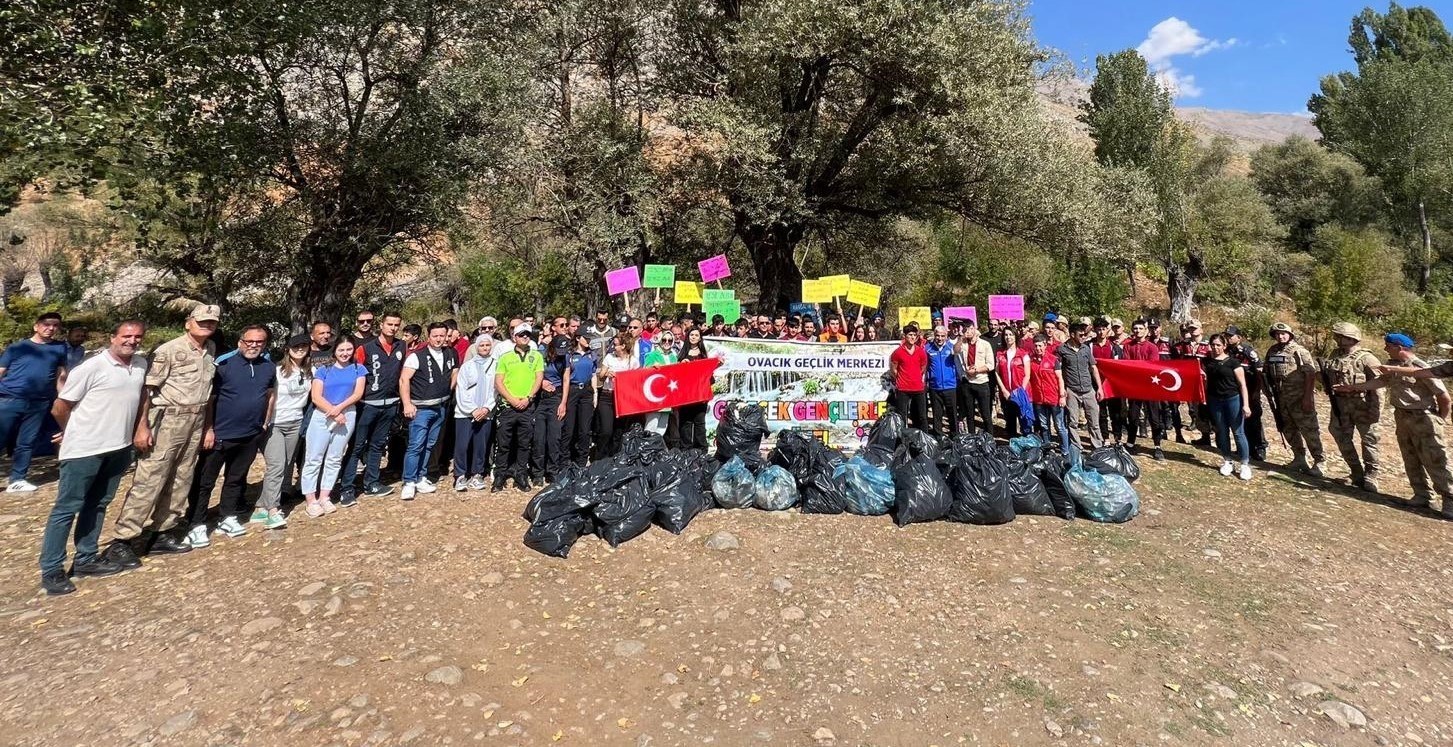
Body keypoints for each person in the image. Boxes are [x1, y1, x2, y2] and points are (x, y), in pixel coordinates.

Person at [37, 321, 148, 595]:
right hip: (85, 449)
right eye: (126, 336)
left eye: (137, 337)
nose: (132, 341)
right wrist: (70, 432)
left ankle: (85, 558)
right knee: (67, 508)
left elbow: (141, 396)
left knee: (98, 504)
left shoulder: (141, 365)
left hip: (118, 447)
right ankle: (52, 569)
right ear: (113, 337)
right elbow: (60, 407)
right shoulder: (92, 367)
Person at [104, 304, 219, 566]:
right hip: (168, 419)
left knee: (182, 476)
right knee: (150, 478)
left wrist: (207, 426)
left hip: (196, 418)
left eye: (212, 322)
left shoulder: (210, 350)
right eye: (202, 321)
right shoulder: (168, 350)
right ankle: (124, 540)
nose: (207, 326)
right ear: (188, 322)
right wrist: (142, 426)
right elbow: (148, 390)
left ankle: (163, 532)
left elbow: (208, 392)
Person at [1338, 334, 1453, 518]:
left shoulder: (1419, 366)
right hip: (1402, 416)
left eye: (1388, 346)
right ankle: (1422, 495)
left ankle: (1449, 499)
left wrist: (1441, 419)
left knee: (1435, 458)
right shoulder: (1392, 365)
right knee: (1410, 456)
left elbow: (1444, 397)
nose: (1385, 349)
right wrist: (1354, 388)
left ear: (1399, 348)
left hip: (1423, 417)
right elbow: (1381, 382)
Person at [182, 324, 275, 547]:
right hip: (220, 434)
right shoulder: (222, 366)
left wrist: (264, 423)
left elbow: (269, 395)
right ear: (240, 342)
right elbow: (210, 401)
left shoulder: (268, 367)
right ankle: (196, 523)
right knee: (204, 481)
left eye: (259, 342)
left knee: (235, 479)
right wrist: (208, 429)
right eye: (249, 341)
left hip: (250, 434)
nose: (253, 346)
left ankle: (227, 516)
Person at [0, 311, 70, 492]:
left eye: (55, 325)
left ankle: (17, 479)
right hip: (10, 399)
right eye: (47, 324)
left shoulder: (60, 348)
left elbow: (61, 375)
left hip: (39, 402)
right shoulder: (17, 347)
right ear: (36, 326)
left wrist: (62, 398)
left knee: (27, 442)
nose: (51, 328)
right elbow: (1, 370)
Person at [340, 312, 405, 503]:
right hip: (367, 405)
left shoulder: (401, 346)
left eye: (396, 325)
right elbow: (354, 374)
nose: (393, 328)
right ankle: (347, 488)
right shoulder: (365, 348)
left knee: (377, 446)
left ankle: (372, 483)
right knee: (357, 447)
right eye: (389, 324)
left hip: (391, 404)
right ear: (381, 325)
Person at [301, 339, 366, 516]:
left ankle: (325, 496)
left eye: (349, 349)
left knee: (335, 457)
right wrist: (333, 411)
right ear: (334, 351)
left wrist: (340, 408)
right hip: (323, 415)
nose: (345, 353)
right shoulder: (323, 370)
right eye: (341, 349)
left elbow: (357, 393)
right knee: (314, 457)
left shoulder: (358, 369)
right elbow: (316, 396)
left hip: (347, 414)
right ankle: (310, 499)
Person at [254, 334, 311, 529]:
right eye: (296, 346)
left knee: (286, 465)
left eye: (304, 346)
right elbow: (267, 396)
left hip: (296, 422)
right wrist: (265, 420)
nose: (300, 349)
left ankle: (261, 506)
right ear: (287, 349)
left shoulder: (310, 371)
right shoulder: (277, 371)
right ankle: (273, 510)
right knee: (276, 465)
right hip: (275, 423)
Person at [399, 322, 458, 500]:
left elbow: (454, 371)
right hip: (421, 408)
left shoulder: (450, 353)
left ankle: (421, 477)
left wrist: (449, 389)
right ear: (428, 336)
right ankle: (409, 481)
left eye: (442, 335)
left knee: (430, 444)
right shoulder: (417, 356)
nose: (439, 339)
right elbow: (404, 380)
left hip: (441, 406)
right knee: (416, 445)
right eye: (435, 336)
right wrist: (407, 404)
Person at [1322, 322, 1383, 493]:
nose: (1337, 339)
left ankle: (1371, 475)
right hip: (1340, 404)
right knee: (1340, 435)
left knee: (1369, 440)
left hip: (1362, 405)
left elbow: (1379, 386)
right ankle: (1356, 472)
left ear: (1350, 338)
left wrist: (1376, 409)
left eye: (1339, 336)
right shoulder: (1335, 355)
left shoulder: (1367, 358)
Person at [1264, 322, 1326, 476]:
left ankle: (1319, 461)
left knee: (1309, 430)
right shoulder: (1272, 351)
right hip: (1281, 398)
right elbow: (1265, 372)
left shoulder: (1299, 351)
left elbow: (1310, 374)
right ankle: (1299, 458)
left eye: (1283, 333)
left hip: (1299, 397)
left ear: (1290, 334)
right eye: (1277, 334)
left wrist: (1307, 397)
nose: (1280, 336)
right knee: (1288, 428)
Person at [493, 324, 545, 492]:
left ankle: (520, 474)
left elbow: (539, 378)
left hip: (527, 406)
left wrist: (529, 398)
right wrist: (512, 399)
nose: (525, 337)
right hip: (508, 406)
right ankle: (500, 474)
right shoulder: (505, 357)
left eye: (527, 334)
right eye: (521, 334)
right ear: (514, 337)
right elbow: (498, 382)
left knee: (524, 443)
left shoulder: (536, 356)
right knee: (503, 443)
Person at [451, 335, 497, 491]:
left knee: (481, 445)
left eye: (487, 345)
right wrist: (472, 409)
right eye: (482, 345)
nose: (484, 348)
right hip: (465, 412)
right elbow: (461, 389)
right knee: (462, 445)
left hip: (486, 412)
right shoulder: (467, 366)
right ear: (476, 347)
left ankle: (477, 473)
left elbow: (496, 390)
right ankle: (460, 475)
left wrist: (486, 408)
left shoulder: (496, 366)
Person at [1205, 334, 1254, 481]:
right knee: (1222, 431)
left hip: (1233, 399)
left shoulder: (1233, 363)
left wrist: (1246, 405)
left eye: (1218, 345)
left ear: (1224, 346)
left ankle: (1244, 464)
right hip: (1215, 401)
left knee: (1238, 432)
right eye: (1213, 345)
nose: (1215, 347)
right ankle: (1227, 460)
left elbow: (1242, 385)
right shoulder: (1207, 362)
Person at [1122, 320, 1167, 462]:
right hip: (1135, 387)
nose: (1137, 331)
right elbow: (1127, 365)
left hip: (1150, 386)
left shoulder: (1152, 347)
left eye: (1140, 328)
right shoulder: (1127, 346)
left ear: (1146, 330)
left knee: (1154, 417)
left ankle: (1157, 446)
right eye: (1135, 328)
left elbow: (1152, 366)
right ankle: (1130, 443)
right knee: (1133, 415)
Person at [530, 335, 572, 483]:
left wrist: (563, 403)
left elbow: (566, 379)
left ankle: (552, 470)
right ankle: (537, 472)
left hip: (556, 396)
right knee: (539, 437)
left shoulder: (565, 357)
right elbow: (531, 374)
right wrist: (542, 383)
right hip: (541, 397)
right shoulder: (541, 354)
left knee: (554, 437)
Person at [1225, 326, 1268, 461]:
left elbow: (1259, 371)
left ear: (1239, 337)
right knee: (1238, 419)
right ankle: (1244, 447)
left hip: (1250, 390)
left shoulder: (1247, 351)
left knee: (1254, 419)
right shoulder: (1226, 351)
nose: (1228, 338)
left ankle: (1259, 447)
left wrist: (1256, 391)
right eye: (1227, 336)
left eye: (1231, 336)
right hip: (1234, 391)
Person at [1059, 322, 1104, 449]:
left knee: (1094, 422)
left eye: (1085, 335)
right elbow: (1058, 370)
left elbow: (1094, 368)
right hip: (1072, 390)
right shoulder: (1062, 350)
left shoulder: (1085, 349)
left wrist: (1099, 387)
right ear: (1072, 335)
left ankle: (1097, 446)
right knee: (1073, 422)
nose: (1083, 337)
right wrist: (1062, 389)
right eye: (1081, 335)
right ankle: (1076, 447)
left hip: (1088, 389)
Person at [595, 333, 638, 458]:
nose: (613, 347)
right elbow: (601, 376)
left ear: (623, 346)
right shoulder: (609, 357)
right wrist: (607, 373)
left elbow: (636, 380)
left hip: (622, 398)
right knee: (606, 430)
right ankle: (600, 457)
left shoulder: (633, 361)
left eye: (616, 344)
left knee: (619, 431)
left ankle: (615, 457)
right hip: (607, 396)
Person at [1028, 334, 1070, 453]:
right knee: (1044, 425)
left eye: (1040, 346)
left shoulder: (1053, 360)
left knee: (1060, 426)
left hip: (1054, 398)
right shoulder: (1030, 361)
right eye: (1036, 346)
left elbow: (1060, 378)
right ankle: (1048, 448)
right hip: (1039, 399)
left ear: (1045, 346)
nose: (1038, 348)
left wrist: (1062, 396)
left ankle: (1065, 450)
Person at [560, 334, 596, 467]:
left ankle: (582, 462)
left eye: (589, 338)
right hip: (573, 390)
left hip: (586, 391)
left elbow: (593, 374)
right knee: (569, 428)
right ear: (578, 338)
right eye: (585, 338)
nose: (588, 341)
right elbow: (566, 377)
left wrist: (595, 393)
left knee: (585, 429)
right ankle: (564, 461)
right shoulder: (570, 355)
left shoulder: (591, 354)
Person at [956, 324, 995, 435]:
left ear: (975, 329)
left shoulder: (985, 344)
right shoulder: (963, 344)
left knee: (985, 414)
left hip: (981, 382)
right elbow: (954, 351)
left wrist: (977, 370)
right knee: (969, 414)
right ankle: (972, 438)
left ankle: (990, 437)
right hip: (967, 382)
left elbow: (990, 365)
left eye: (970, 328)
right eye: (965, 329)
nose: (968, 331)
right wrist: (961, 338)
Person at [1091, 319, 1125, 445]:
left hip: (1111, 384)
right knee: (1101, 412)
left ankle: (1118, 437)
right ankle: (1105, 437)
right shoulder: (1089, 346)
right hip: (1095, 383)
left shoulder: (1115, 348)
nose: (1101, 332)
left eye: (1104, 329)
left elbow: (1121, 366)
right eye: (1099, 329)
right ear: (1095, 330)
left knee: (1116, 412)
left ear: (1107, 330)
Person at [889, 323, 929, 429]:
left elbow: (923, 366)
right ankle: (902, 441)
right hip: (903, 388)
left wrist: (915, 376)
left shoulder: (921, 352)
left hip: (918, 387)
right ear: (905, 336)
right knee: (902, 417)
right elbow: (893, 369)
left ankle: (924, 440)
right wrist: (903, 377)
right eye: (910, 335)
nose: (912, 337)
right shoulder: (897, 352)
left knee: (922, 416)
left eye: (914, 335)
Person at [676, 330, 710, 450]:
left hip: (700, 393)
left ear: (700, 338)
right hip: (685, 393)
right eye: (691, 335)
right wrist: (680, 364)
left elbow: (708, 374)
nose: (693, 337)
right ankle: (685, 449)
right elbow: (675, 374)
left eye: (696, 335)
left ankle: (701, 449)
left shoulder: (704, 355)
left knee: (700, 422)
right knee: (686, 422)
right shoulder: (682, 353)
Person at [995, 329, 1032, 439]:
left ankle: (1028, 445)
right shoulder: (1000, 354)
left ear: (1015, 336)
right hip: (1007, 394)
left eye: (1011, 334)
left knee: (1025, 423)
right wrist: (1003, 390)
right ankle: (1013, 446)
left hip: (1021, 394)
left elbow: (1027, 375)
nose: (1008, 337)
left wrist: (1020, 391)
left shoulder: (1023, 355)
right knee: (1010, 424)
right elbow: (997, 373)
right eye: (1006, 335)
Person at [924, 325, 959, 437]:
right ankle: (938, 436)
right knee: (937, 414)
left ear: (946, 336)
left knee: (952, 413)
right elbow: (924, 366)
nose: (940, 338)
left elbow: (958, 355)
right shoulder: (927, 348)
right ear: (934, 335)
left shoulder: (951, 347)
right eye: (937, 335)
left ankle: (954, 435)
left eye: (942, 336)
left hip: (950, 386)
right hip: (935, 386)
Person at [642, 331, 678, 436]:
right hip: (655, 395)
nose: (667, 342)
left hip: (668, 396)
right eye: (664, 340)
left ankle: (656, 449)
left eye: (670, 340)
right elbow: (644, 373)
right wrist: (652, 367)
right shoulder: (652, 355)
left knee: (662, 426)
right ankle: (647, 448)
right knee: (651, 424)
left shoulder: (673, 357)